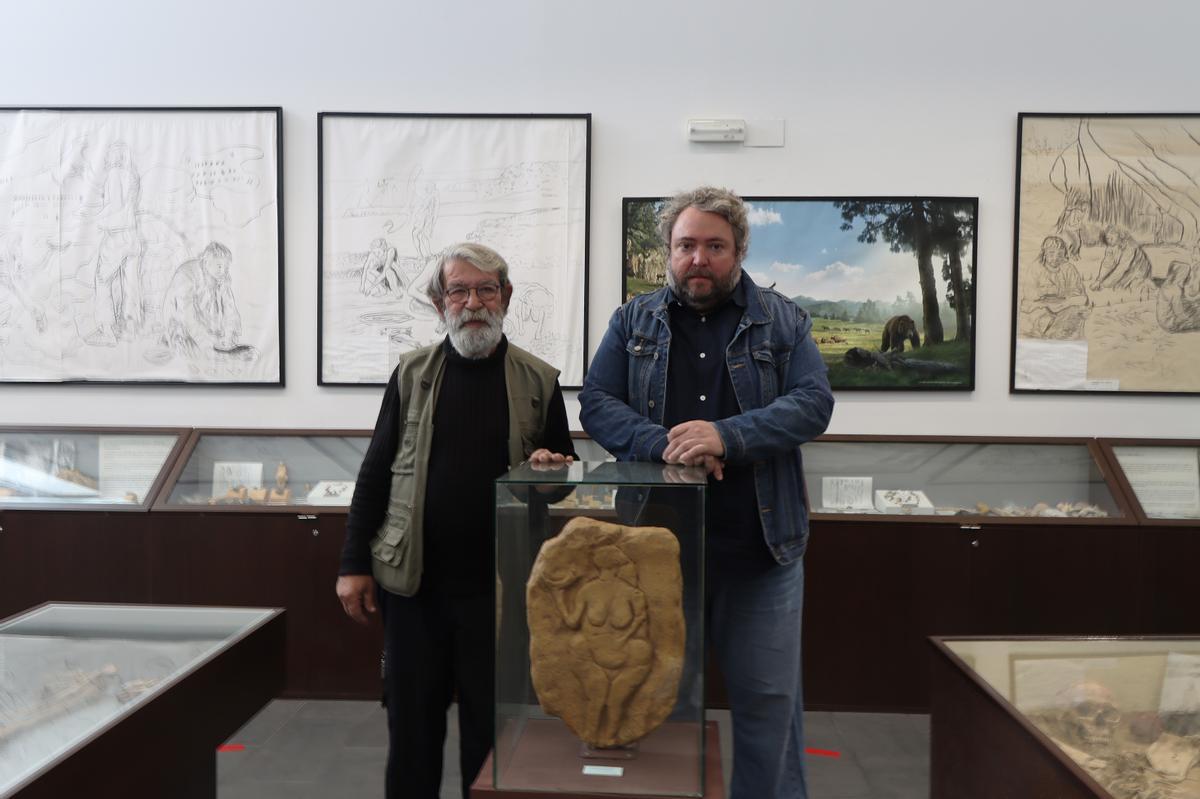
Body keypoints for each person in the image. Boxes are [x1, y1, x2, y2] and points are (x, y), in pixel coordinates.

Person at [578, 186, 835, 799]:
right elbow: (596, 401)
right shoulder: (631, 319)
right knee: (660, 700)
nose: (699, 258)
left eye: (714, 246)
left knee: (768, 705)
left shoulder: (784, 319)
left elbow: (813, 403)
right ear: (667, 251)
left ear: (739, 250)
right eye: (686, 245)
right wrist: (662, 442)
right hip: (651, 556)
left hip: (760, 552)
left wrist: (726, 436)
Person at [336, 241, 576, 799]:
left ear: (506, 297)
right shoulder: (411, 373)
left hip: (499, 593)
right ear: (440, 303)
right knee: (412, 737)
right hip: (413, 590)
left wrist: (548, 471)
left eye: (486, 289)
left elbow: (559, 482)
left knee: (491, 741)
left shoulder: (540, 381)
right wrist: (353, 563)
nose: (473, 303)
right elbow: (375, 474)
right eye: (460, 291)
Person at [161, 241, 250, 357]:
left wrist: (230, 333)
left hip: (208, 331)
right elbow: (187, 315)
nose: (223, 271)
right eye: (219, 266)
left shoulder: (222, 278)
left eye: (226, 267)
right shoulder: (186, 274)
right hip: (181, 327)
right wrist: (204, 342)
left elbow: (230, 309)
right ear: (207, 262)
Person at [1019, 235, 1090, 340]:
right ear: (1044, 254)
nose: (1055, 258)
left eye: (1060, 254)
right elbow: (1029, 294)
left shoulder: (1069, 269)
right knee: (1040, 320)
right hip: (1039, 306)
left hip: (1064, 307)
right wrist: (1046, 301)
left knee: (1074, 316)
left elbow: (1081, 297)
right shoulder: (1035, 268)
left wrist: (1065, 303)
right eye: (1051, 253)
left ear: (1064, 255)